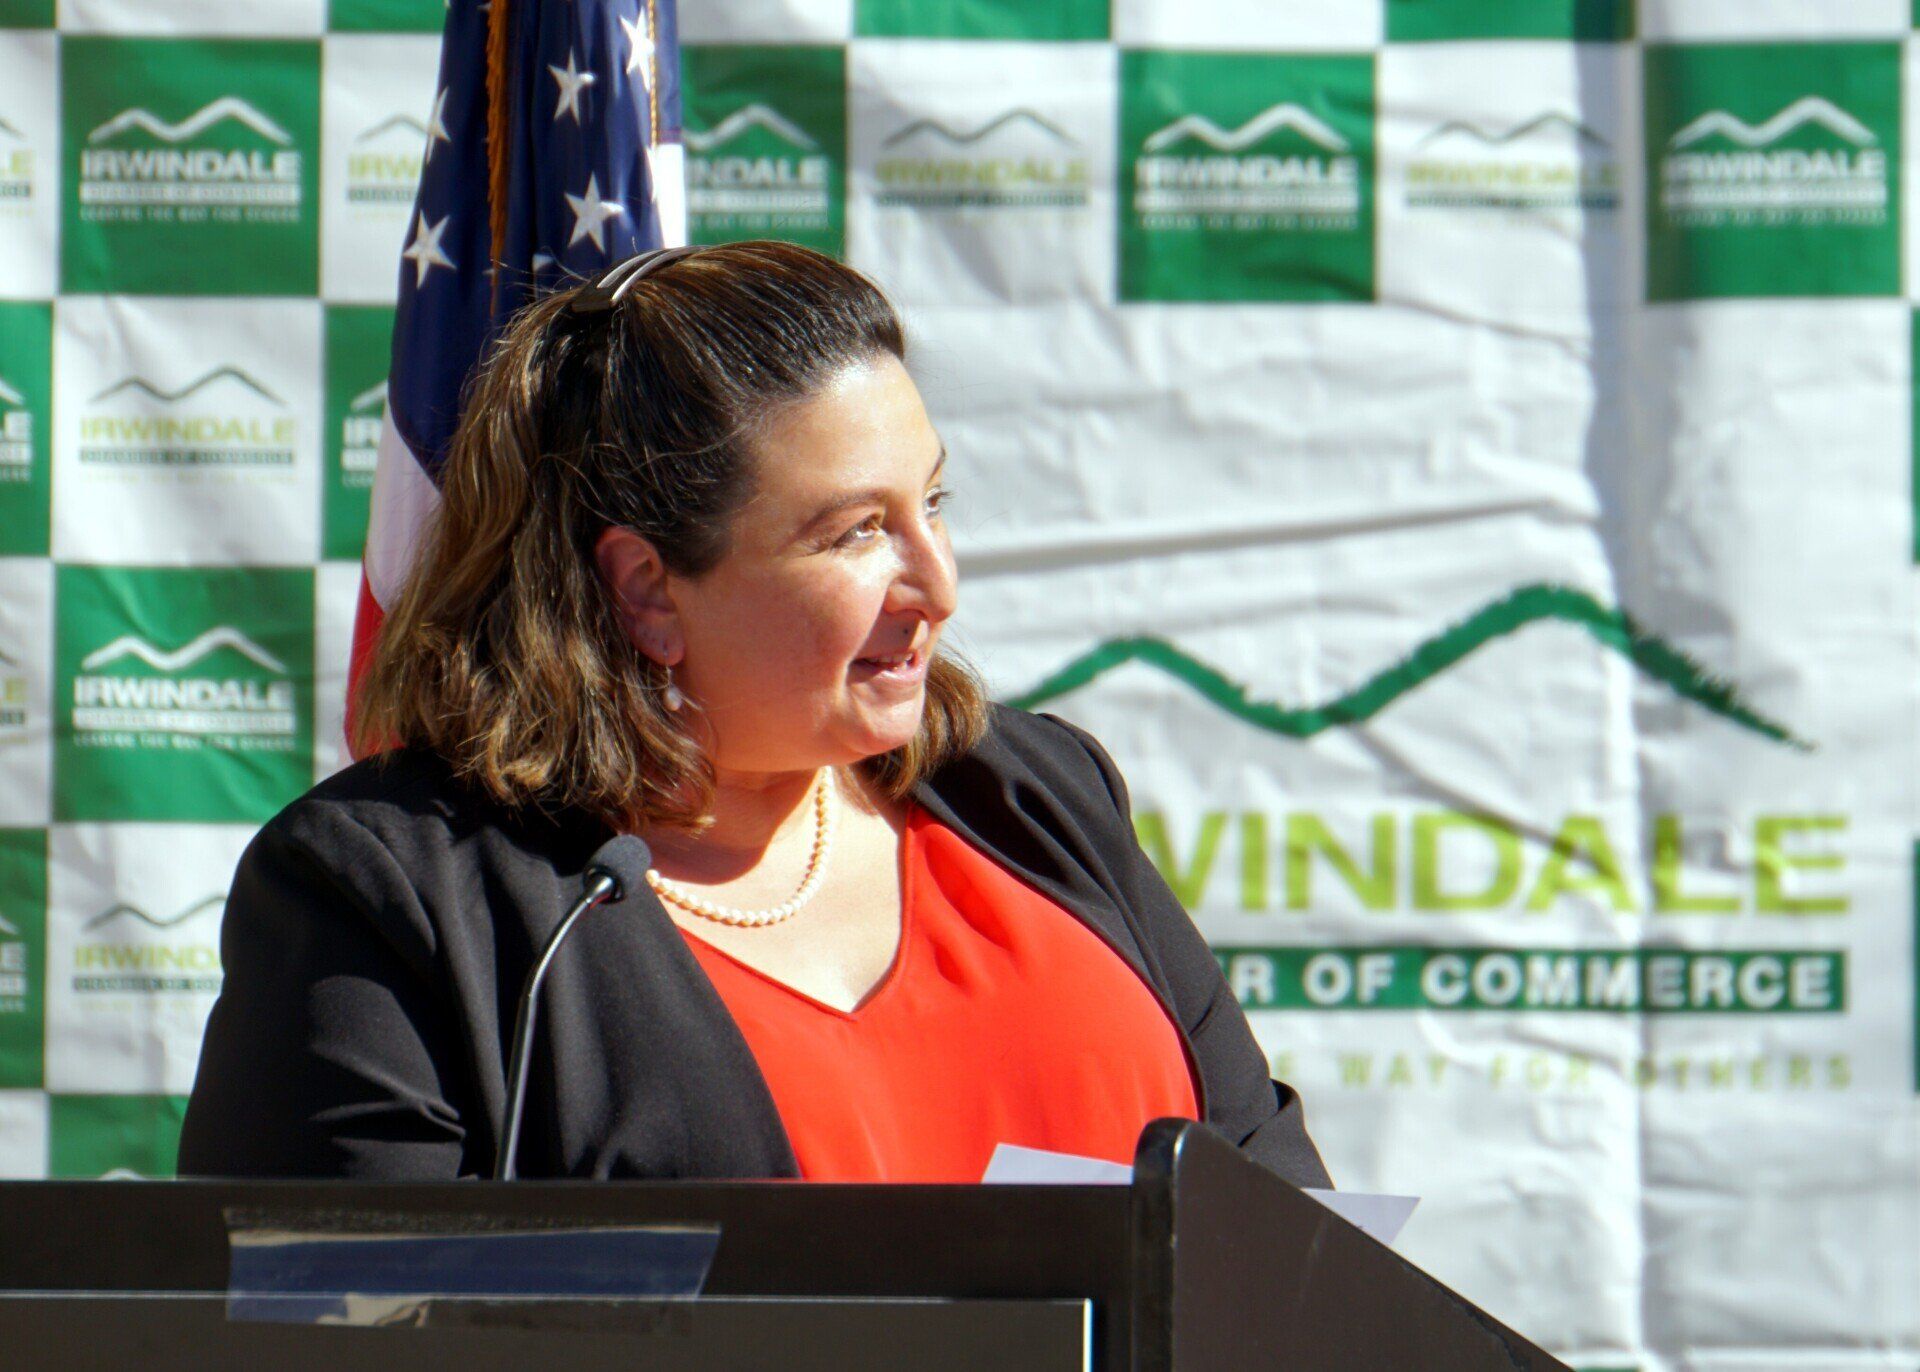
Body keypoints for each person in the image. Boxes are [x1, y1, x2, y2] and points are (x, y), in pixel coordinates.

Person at [178, 240, 1329, 1188]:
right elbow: (328, 1331)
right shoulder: (396, 895)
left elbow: (1287, 1238)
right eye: (856, 533)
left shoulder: (1040, 796)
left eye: (931, 503)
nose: (938, 584)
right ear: (646, 588)